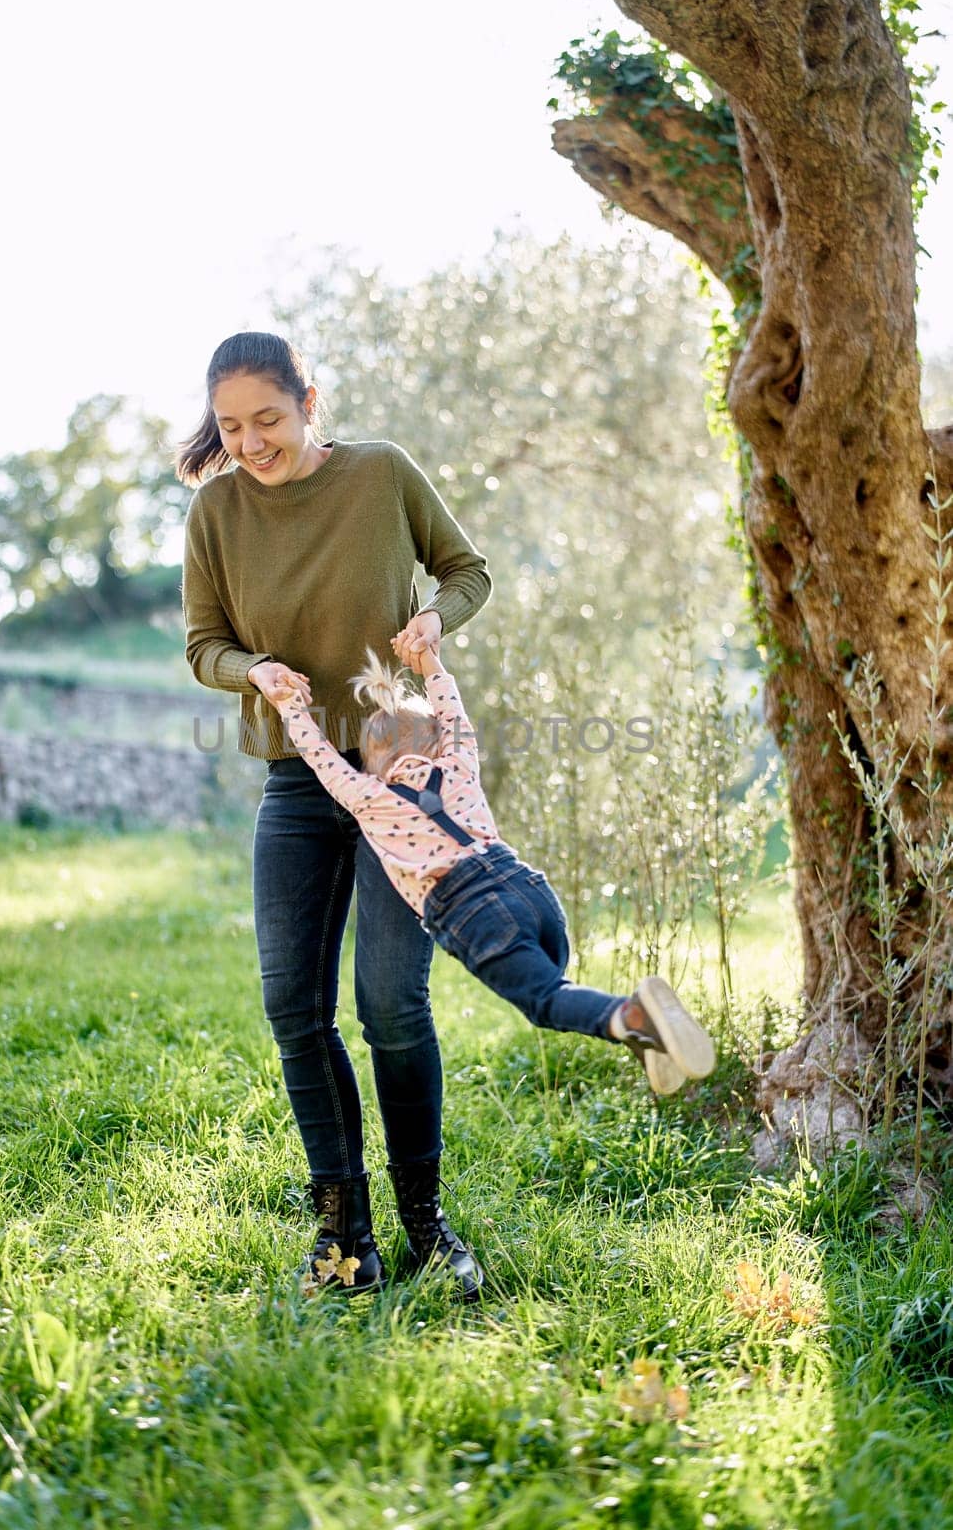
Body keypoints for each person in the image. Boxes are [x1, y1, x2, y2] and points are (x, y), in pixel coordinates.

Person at [177, 331, 492, 1301]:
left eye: (266, 419)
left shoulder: (381, 474)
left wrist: (436, 618)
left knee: (392, 1004)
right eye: (231, 427)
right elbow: (203, 643)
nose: (250, 442)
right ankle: (342, 1236)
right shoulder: (217, 511)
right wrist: (250, 672)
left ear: (309, 399)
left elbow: (465, 570)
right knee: (292, 1007)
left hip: (402, 780)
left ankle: (426, 1227)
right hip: (295, 783)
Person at [264, 639, 717, 1231]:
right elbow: (453, 712)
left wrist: (290, 707)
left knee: (547, 1002)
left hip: (475, 914)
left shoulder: (370, 799)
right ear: (436, 745)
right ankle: (645, 1039)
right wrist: (431, 666)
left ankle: (632, 1016)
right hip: (528, 891)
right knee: (557, 980)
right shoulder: (458, 766)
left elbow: (320, 755)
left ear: (374, 764)